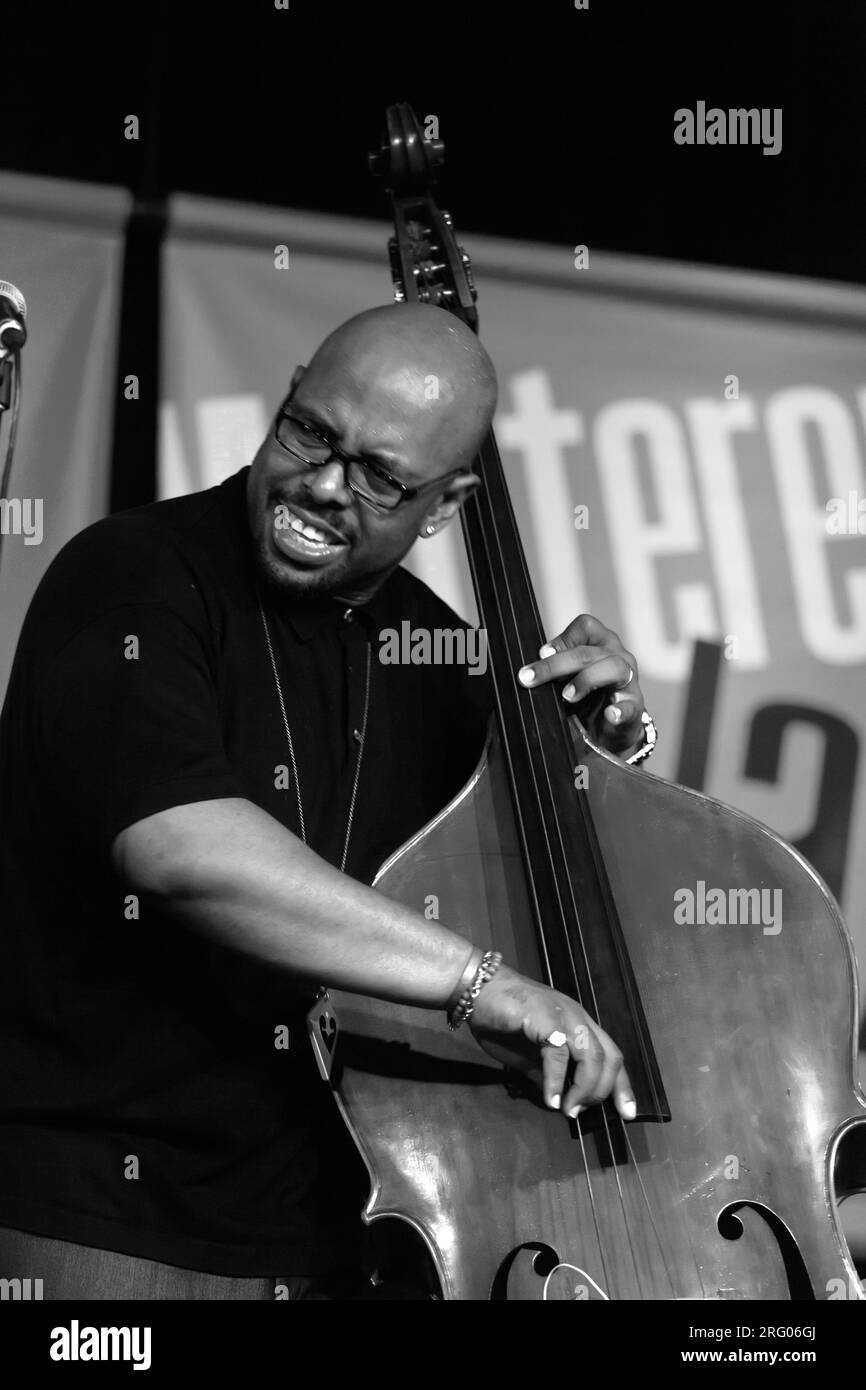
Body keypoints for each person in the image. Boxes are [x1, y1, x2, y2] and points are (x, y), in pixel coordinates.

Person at [0, 303, 652, 1299]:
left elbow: (555, 935)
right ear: (291, 388)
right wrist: (482, 985)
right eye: (309, 431)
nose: (321, 484)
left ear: (443, 506)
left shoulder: (438, 656)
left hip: (348, 1240)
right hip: (115, 1230)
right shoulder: (132, 579)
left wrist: (591, 763)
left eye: (380, 476)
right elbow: (181, 850)